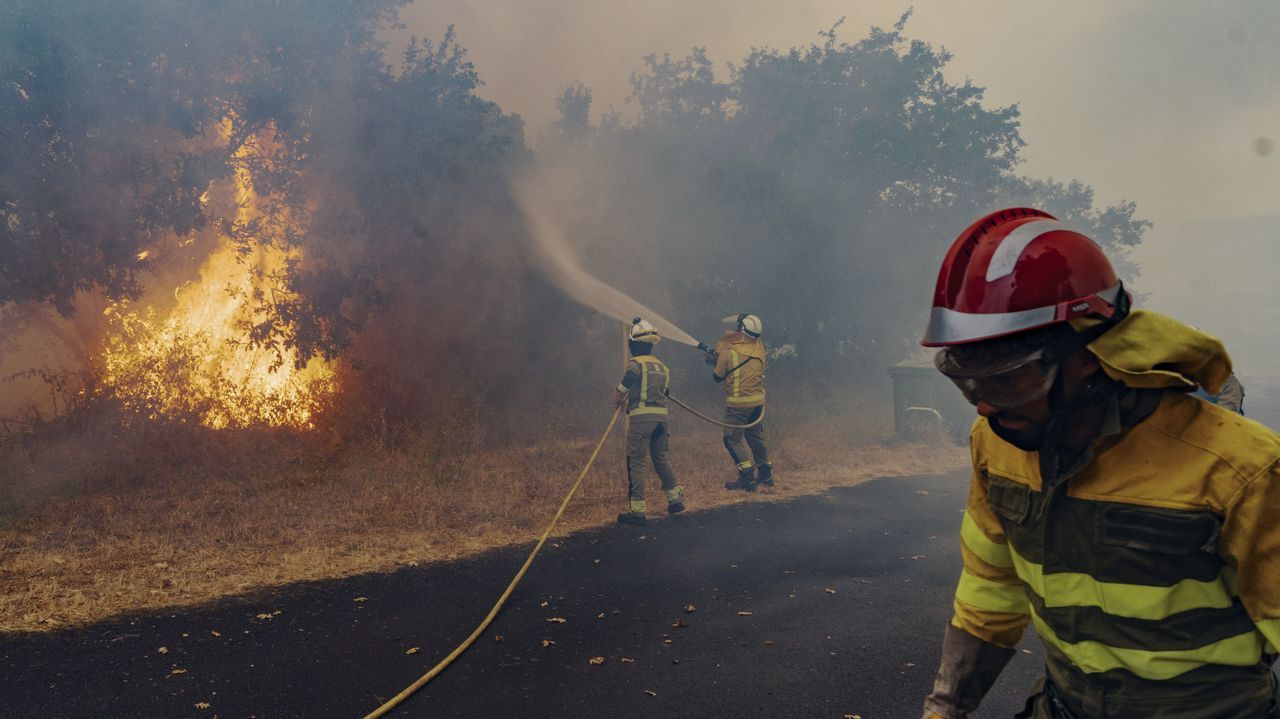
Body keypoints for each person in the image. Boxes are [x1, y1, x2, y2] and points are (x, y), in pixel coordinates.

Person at [917, 208, 1280, 718]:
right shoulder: (996, 443)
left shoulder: (1240, 465)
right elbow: (991, 587)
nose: (984, 406)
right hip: (1066, 705)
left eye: (1008, 379)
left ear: (1092, 357)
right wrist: (945, 711)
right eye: (968, 383)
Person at [614, 318, 685, 526]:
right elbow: (666, 392)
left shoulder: (636, 364)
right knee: (661, 460)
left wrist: (618, 397)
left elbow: (627, 381)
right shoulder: (663, 367)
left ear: (634, 345)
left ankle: (638, 512)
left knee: (635, 462)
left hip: (641, 420)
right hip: (661, 421)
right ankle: (675, 502)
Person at [712, 313, 771, 491]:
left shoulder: (729, 351)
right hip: (757, 404)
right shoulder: (759, 347)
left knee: (731, 439)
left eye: (738, 327)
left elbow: (717, 376)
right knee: (754, 437)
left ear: (742, 330)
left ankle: (746, 476)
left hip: (738, 405)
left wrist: (713, 361)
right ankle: (765, 474)